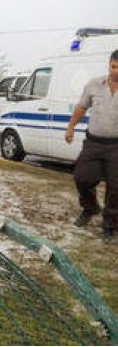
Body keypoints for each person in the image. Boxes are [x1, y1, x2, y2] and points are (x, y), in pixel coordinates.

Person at [65, 49, 118, 240]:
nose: (115, 71)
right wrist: (71, 127)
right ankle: (90, 208)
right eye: (113, 66)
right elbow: (81, 107)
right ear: (109, 64)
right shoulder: (94, 84)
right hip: (93, 143)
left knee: (115, 188)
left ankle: (110, 225)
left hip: (116, 147)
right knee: (82, 178)